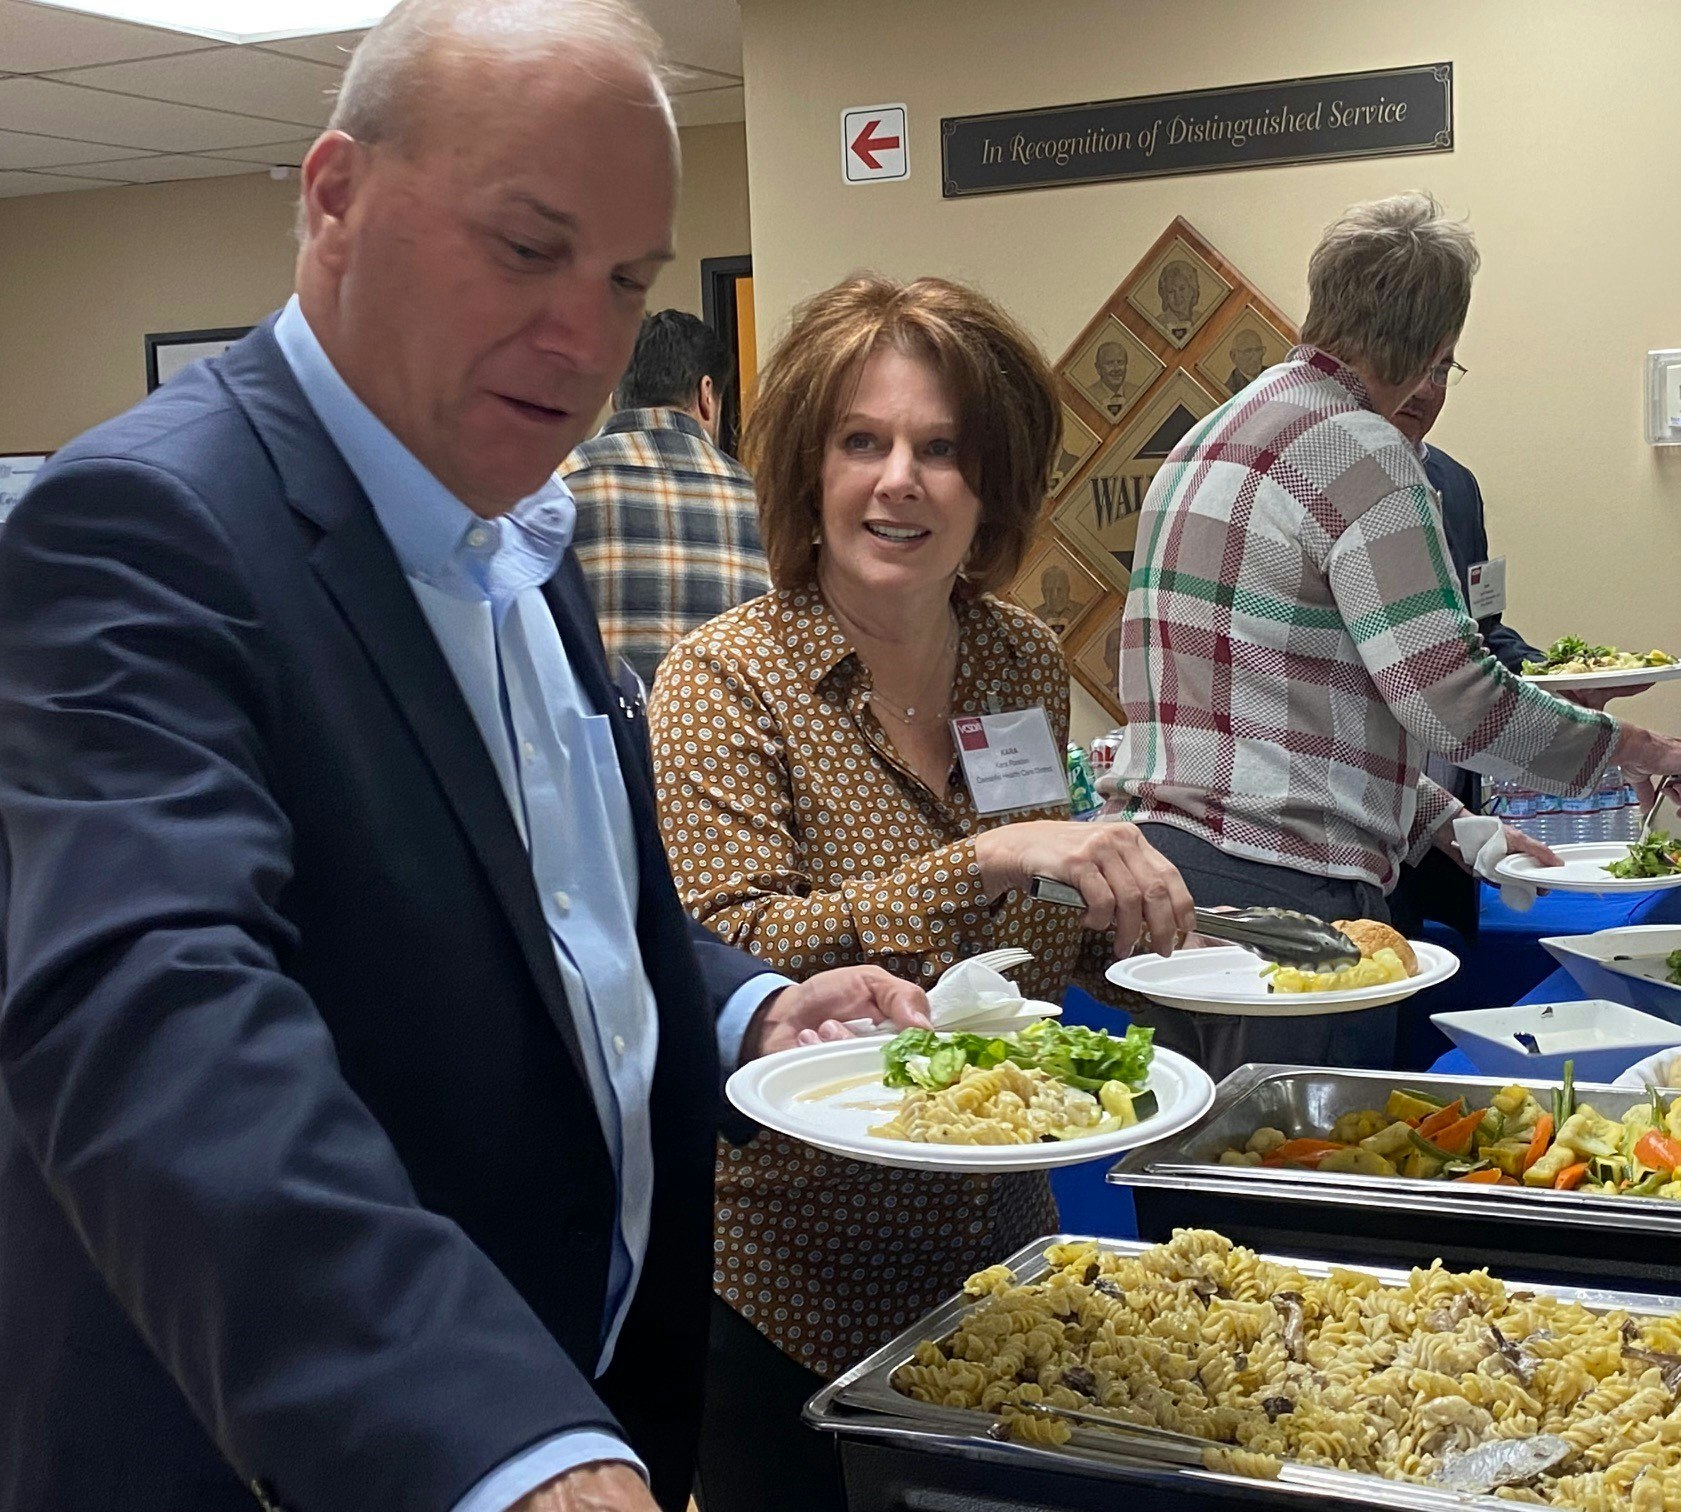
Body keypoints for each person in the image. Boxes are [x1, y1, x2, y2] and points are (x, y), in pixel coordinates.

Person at [0, 5, 927, 1512]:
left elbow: (540, 912)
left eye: (626, 279)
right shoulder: (147, 526)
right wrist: (504, 1443)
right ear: (333, 198)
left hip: (587, 1398)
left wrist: (745, 1001)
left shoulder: (509, 525)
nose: (584, 334)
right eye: (524, 247)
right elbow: (156, 1027)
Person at [647, 274, 1194, 1510]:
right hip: (787, 1286)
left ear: (990, 482)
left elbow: (1026, 951)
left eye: (941, 448)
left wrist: (1139, 936)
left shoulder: (1018, 654)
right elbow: (737, 947)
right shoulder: (724, 682)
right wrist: (990, 857)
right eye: (863, 441)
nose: (900, 480)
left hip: (997, 1264)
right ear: (807, 467)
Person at [1104, 193, 1681, 1078]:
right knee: (1296, 1180)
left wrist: (1463, 830)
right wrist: (1631, 747)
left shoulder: (1208, 438)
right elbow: (1455, 702)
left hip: (1165, 883)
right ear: (1436, 343)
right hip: (1295, 899)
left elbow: (1293, 716)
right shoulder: (1366, 454)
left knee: (1180, 1169)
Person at [561, 308, 771, 688]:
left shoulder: (556, 486)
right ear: (707, 394)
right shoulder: (762, 503)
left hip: (596, 745)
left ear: (614, 395)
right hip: (724, 744)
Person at [1152, 258, 1202, 340]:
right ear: (1164, 295)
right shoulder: (1157, 326)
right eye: (1171, 291)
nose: (1177, 297)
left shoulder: (1202, 319)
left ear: (1192, 289)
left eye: (1182, 289)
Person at [1032, 562, 1086, 635]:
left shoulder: (1083, 612)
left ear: (1068, 589)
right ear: (1043, 591)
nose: (1054, 596)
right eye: (1049, 590)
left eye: (1059, 589)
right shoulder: (1033, 616)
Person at [1087, 338, 1137, 416]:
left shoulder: (1138, 393)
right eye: (1110, 363)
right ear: (1098, 368)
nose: (1116, 368)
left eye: (1120, 362)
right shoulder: (1088, 397)